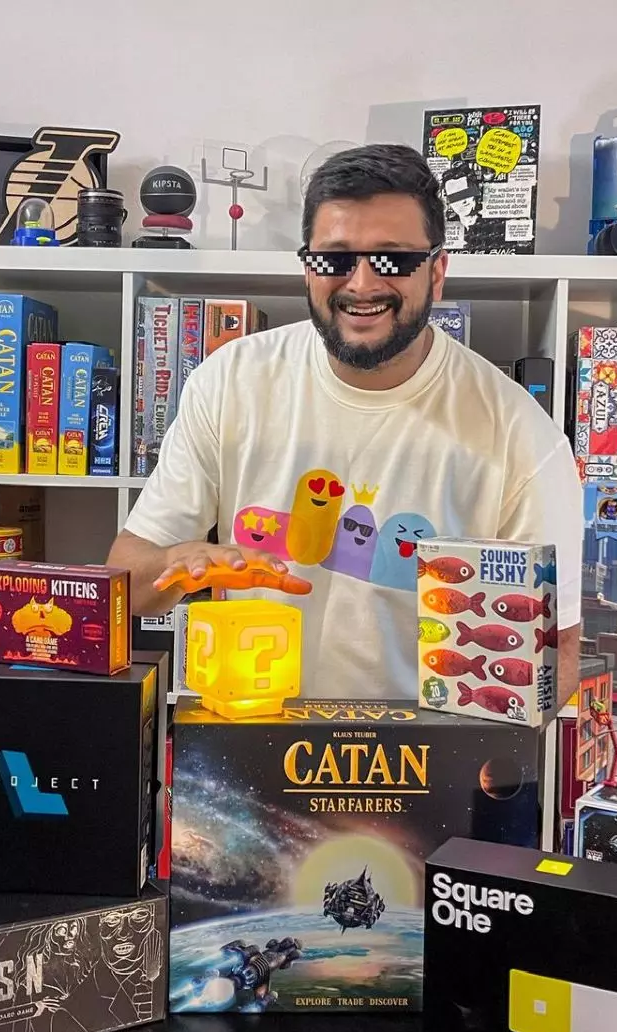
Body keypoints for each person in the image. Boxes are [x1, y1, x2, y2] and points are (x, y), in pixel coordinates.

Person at [108, 144, 582, 698]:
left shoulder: (521, 432)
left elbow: (558, 653)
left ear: (438, 272)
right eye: (334, 260)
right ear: (307, 267)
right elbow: (130, 586)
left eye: (394, 259)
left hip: (424, 770)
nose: (360, 285)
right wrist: (175, 562)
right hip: (244, 753)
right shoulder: (230, 380)